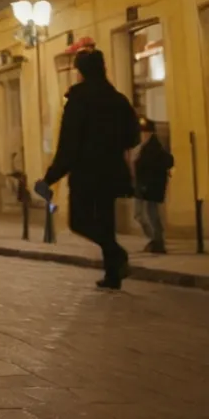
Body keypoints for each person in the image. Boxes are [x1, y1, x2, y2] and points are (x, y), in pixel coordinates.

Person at [35, 49, 141, 290]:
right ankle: (113, 275)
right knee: (106, 222)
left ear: (81, 71)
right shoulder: (118, 100)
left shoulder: (78, 101)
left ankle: (116, 254)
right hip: (112, 172)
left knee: (79, 221)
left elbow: (68, 145)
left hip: (86, 173)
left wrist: (50, 177)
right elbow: (133, 137)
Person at [133, 118, 173, 254]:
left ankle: (157, 241)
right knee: (141, 214)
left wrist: (148, 183)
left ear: (151, 133)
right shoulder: (143, 147)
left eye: (146, 132)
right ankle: (155, 240)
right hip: (142, 187)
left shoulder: (153, 147)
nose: (143, 134)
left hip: (149, 187)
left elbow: (166, 162)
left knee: (150, 214)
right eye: (142, 132)